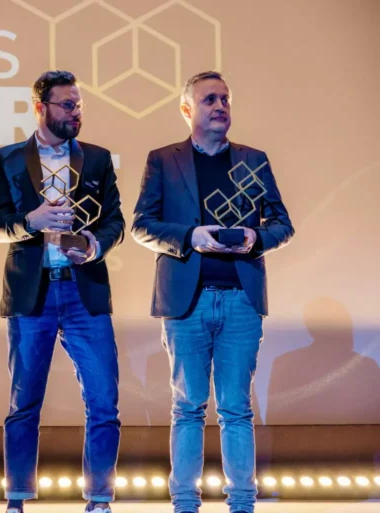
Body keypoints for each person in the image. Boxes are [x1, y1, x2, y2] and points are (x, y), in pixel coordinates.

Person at [131, 71, 295, 513]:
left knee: (236, 408)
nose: (220, 106)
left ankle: (242, 504)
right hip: (187, 301)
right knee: (187, 406)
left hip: (241, 298)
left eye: (225, 99)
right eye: (209, 99)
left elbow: (282, 225)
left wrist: (255, 238)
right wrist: (191, 236)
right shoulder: (163, 160)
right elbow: (142, 226)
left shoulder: (253, 159)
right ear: (187, 109)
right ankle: (185, 503)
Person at [0, 70, 125, 513]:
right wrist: (33, 221)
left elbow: (115, 222)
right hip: (33, 293)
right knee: (24, 402)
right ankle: (17, 500)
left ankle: (99, 499)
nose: (76, 113)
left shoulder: (97, 159)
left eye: (79, 105)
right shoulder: (8, 159)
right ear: (40, 107)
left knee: (103, 401)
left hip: (85, 292)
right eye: (67, 105)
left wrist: (94, 244)